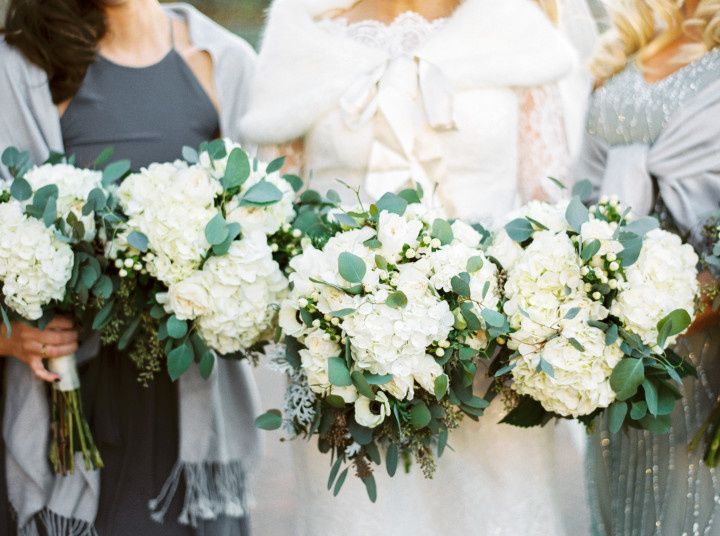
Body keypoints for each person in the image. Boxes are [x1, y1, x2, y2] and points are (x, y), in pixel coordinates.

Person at [240, 0, 598, 533]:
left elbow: (550, 205)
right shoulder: (304, 35)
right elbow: (272, 214)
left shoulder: (513, 27)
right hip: (347, 372)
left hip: (490, 364)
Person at [0, 1, 261, 534]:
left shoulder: (227, 64)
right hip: (71, 405)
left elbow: (266, 234)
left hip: (192, 401)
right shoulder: (23, 65)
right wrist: (6, 337)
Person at [574, 0, 720, 533]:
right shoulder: (625, 53)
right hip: (611, 350)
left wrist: (683, 304)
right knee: (621, 499)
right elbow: (582, 195)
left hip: (703, 345)